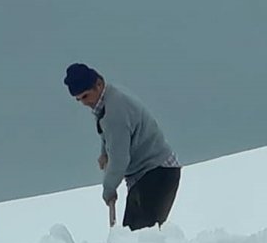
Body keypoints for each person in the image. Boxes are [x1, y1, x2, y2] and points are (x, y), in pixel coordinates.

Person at [63, 63, 181, 231]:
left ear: (98, 84)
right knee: (129, 239)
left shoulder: (115, 110)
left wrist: (109, 188)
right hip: (144, 176)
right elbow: (107, 134)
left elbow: (120, 159)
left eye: (85, 96)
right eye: (79, 99)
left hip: (157, 173)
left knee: (140, 242)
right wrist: (104, 152)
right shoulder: (109, 99)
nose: (84, 102)